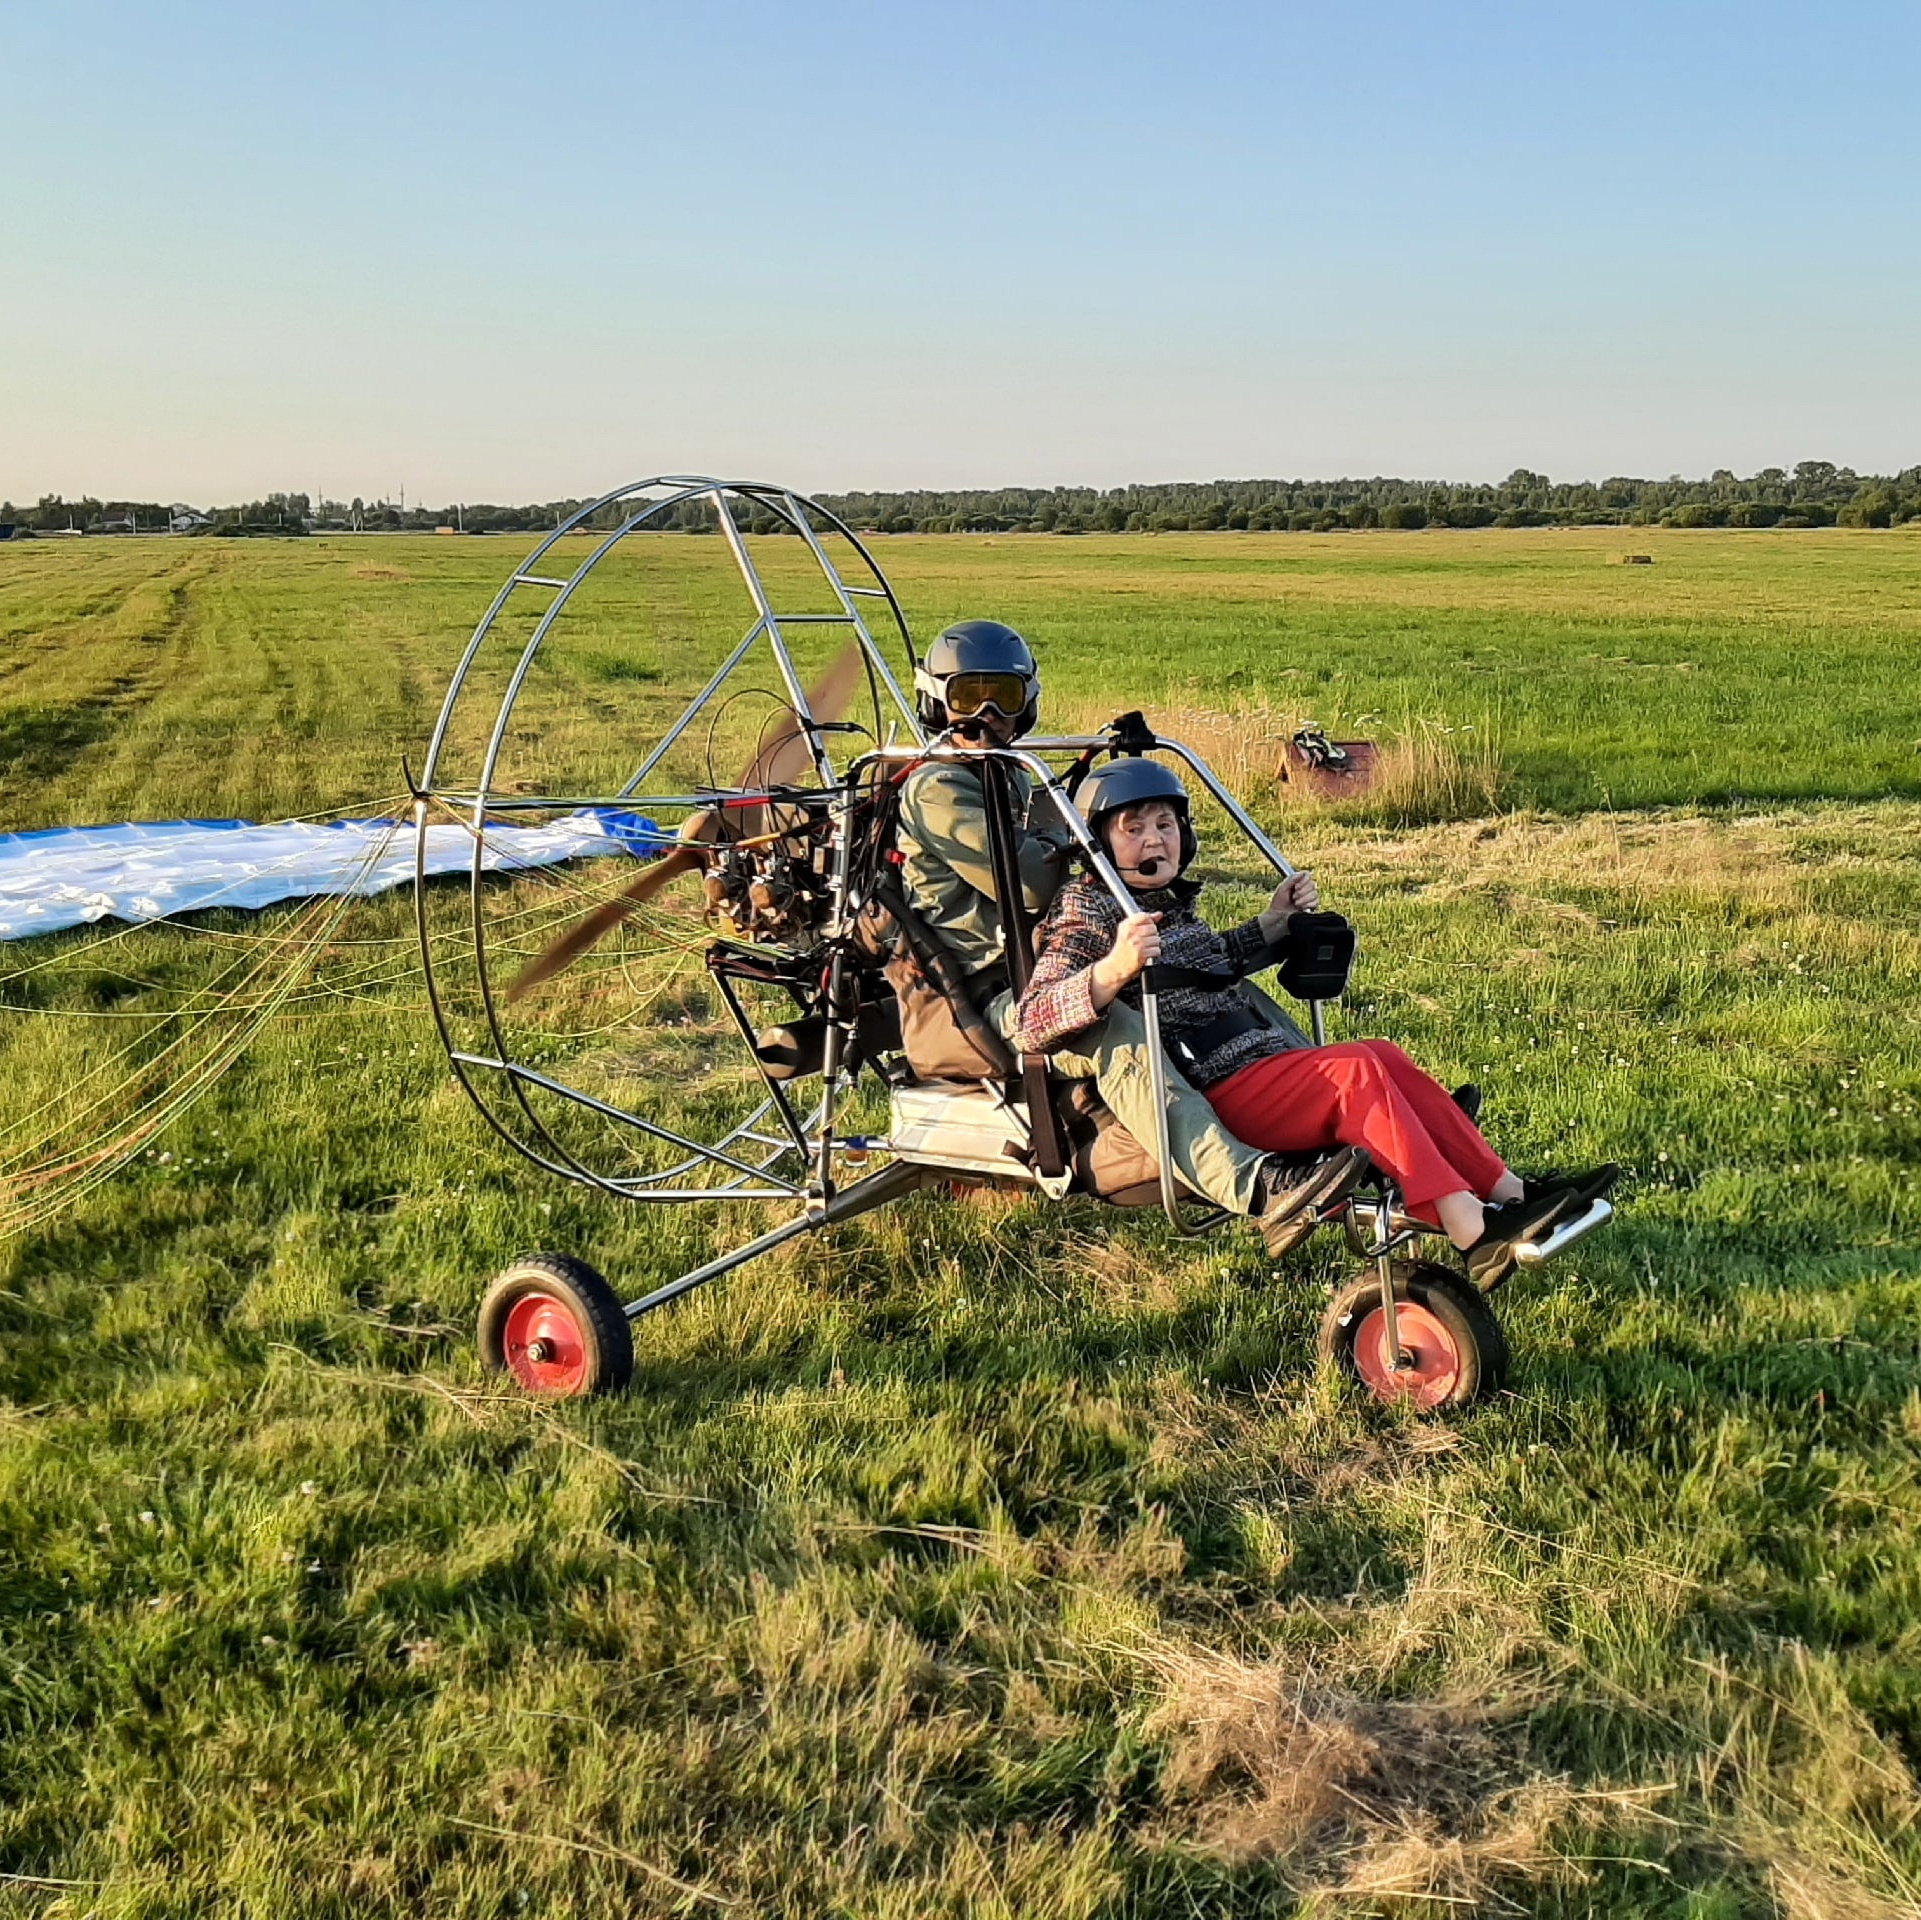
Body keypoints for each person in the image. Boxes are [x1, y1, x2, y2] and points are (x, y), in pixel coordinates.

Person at [1013, 758, 1618, 1285]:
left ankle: (1511, 1192)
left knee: (1381, 1054)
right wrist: (1112, 970)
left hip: (1255, 1066)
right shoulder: (1088, 912)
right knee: (1355, 1072)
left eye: (1166, 825)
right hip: (1211, 1092)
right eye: (1134, 828)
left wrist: (1274, 921)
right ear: (1095, 843)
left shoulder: (1163, 906)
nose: (1155, 841)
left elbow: (1210, 965)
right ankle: (1471, 1230)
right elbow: (1031, 1022)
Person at [895, 621, 1359, 1251]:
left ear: (1025, 701)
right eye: (968, 695)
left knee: (1213, 981)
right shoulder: (938, 786)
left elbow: (1056, 844)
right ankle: (1256, 1186)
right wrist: (1096, 835)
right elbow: (1031, 882)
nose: (986, 714)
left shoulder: (1002, 774)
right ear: (935, 700)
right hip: (989, 997)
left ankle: (1331, 1116)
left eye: (1002, 695)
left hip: (1043, 960)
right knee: (1114, 1024)